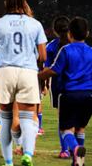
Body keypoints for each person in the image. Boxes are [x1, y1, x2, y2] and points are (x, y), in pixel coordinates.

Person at [0, 0, 47, 166]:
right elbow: (43, 56)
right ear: (23, 1)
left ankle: (9, 162)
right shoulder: (35, 24)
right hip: (27, 71)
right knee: (28, 116)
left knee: (6, 119)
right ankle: (27, 153)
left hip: (5, 71)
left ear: (6, 2)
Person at [39, 17, 91, 166]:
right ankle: (77, 162)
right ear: (87, 33)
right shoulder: (91, 51)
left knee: (66, 129)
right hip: (88, 95)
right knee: (80, 128)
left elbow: (54, 70)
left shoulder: (66, 50)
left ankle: (74, 149)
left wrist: (38, 76)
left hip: (69, 94)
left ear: (70, 34)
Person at [42, 16, 71, 158]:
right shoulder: (77, 44)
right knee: (77, 119)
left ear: (54, 30)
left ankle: (65, 149)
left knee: (63, 118)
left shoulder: (51, 46)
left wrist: (43, 84)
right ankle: (76, 146)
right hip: (80, 87)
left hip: (59, 87)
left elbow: (47, 68)